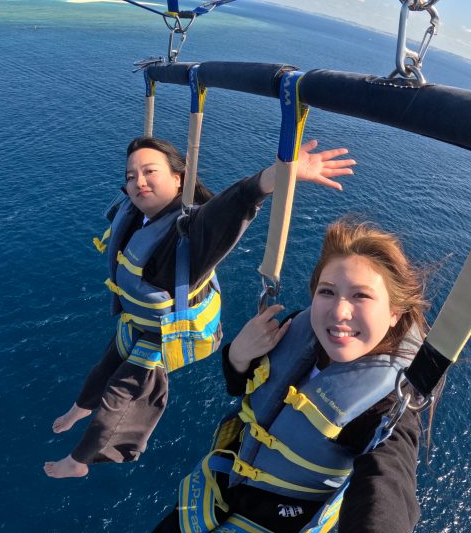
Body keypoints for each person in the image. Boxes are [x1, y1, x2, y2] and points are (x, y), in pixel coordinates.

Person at [36, 219, 437, 533]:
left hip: (282, 505)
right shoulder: (297, 329)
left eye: (361, 296)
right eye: (327, 292)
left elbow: (388, 483)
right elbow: (246, 385)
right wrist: (239, 354)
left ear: (395, 312)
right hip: (233, 468)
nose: (339, 312)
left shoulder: (391, 399)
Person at [44, 136, 356, 478]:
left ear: (178, 179)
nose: (138, 182)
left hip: (169, 332)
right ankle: (80, 407)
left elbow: (237, 203)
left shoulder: (191, 234)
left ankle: (79, 462)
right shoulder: (136, 216)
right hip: (139, 320)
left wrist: (280, 174)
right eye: (131, 176)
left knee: (122, 395)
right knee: (106, 364)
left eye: (150, 172)